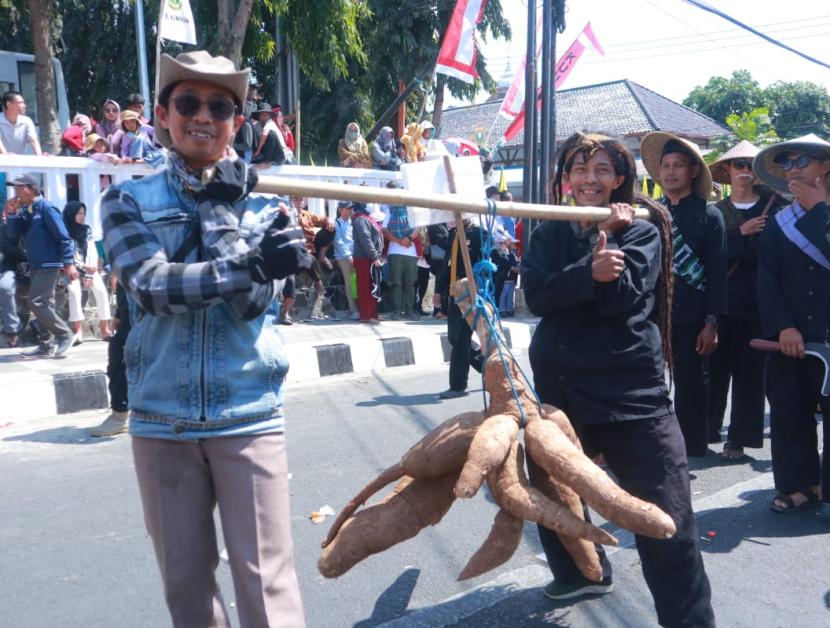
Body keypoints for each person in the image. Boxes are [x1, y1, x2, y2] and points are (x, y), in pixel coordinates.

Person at [101, 50, 310, 626]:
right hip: (161, 420)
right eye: (187, 102)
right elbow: (149, 286)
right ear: (164, 115)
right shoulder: (126, 201)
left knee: (268, 588)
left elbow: (251, 306)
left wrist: (220, 210)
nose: (203, 116)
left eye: (220, 106)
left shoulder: (269, 208)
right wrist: (246, 260)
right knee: (187, 589)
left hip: (248, 416)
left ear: (236, 124)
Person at [522, 132, 714, 627]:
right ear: (565, 181)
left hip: (631, 395)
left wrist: (602, 258)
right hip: (560, 391)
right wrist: (591, 265)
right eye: (581, 171)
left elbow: (623, 302)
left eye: (602, 170)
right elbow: (539, 296)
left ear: (620, 179)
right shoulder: (548, 232)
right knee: (553, 494)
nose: (591, 180)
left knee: (665, 516)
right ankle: (583, 570)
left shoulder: (644, 230)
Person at [755, 133, 830, 513]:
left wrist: (819, 209)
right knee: (788, 410)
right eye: (787, 164)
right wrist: (783, 325)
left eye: (800, 161)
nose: (792, 171)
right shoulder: (779, 221)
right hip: (790, 337)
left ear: (825, 166)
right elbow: (766, 276)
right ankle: (801, 485)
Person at [641, 131, 727, 457]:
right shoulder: (650, 213)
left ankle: (692, 446)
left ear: (693, 171)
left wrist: (712, 323)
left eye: (678, 165)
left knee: (692, 381)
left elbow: (718, 274)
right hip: (654, 312)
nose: (670, 172)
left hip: (694, 314)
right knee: (650, 379)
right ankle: (654, 441)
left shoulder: (709, 214)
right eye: (665, 166)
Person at [707, 140, 784, 460]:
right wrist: (742, 232)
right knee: (713, 372)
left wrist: (748, 236)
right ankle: (706, 429)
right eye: (738, 165)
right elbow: (708, 256)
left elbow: (775, 255)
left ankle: (738, 439)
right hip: (721, 304)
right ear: (726, 170)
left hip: (757, 305)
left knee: (750, 375)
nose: (744, 171)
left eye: (751, 166)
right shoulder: (715, 211)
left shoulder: (775, 207)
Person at [3, 173, 77, 358]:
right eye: (15, 187)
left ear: (33, 188)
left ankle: (65, 334)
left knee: (36, 302)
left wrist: (69, 262)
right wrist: (11, 213)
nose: (16, 191)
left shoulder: (47, 208)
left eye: (20, 187)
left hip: (49, 263)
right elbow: (12, 236)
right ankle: (46, 346)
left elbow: (63, 237)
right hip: (35, 263)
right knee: (45, 304)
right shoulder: (27, 210)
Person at [434, 219, 484, 399]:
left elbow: (487, 262)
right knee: (454, 337)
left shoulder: (478, 234)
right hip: (454, 292)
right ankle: (487, 366)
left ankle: (458, 386)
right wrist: (439, 290)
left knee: (462, 339)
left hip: (471, 293)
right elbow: (447, 264)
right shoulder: (455, 233)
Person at [62, 201, 112, 344]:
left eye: (83, 213)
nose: (82, 216)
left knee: (102, 292)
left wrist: (89, 272)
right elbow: (68, 254)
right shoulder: (64, 230)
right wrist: (82, 267)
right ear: (71, 214)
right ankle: (78, 330)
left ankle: (104, 329)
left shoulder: (86, 229)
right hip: (71, 268)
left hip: (89, 268)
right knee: (74, 292)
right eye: (78, 213)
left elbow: (91, 250)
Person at [382, 182, 419, 319]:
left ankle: (408, 311)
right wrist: (401, 241)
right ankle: (398, 311)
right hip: (398, 251)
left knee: (410, 283)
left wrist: (406, 238)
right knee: (396, 283)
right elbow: (384, 229)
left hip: (409, 251)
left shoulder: (412, 208)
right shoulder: (389, 209)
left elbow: (418, 227)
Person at [351, 201, 383, 323]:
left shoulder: (366, 218)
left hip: (370, 258)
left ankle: (373, 314)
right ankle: (366, 315)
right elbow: (366, 239)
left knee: (372, 286)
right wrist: (375, 257)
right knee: (365, 287)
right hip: (364, 258)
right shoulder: (360, 219)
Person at [0, 205, 23, 347]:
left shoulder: (22, 227)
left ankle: (12, 330)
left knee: (5, 287)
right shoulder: (4, 229)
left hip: (12, 269)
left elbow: (17, 252)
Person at [333, 201, 360, 319]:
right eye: (347, 208)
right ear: (340, 209)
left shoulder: (353, 222)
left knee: (357, 283)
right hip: (343, 257)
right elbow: (338, 242)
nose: (349, 210)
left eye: (350, 208)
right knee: (349, 283)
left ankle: (360, 306)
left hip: (355, 255)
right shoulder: (337, 223)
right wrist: (348, 256)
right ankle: (353, 309)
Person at [0, 91, 42, 155]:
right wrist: (6, 155)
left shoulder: (27, 121)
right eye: (20, 103)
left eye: (23, 103)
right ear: (9, 104)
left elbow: (34, 141)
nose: (24, 106)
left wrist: (40, 156)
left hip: (19, 162)